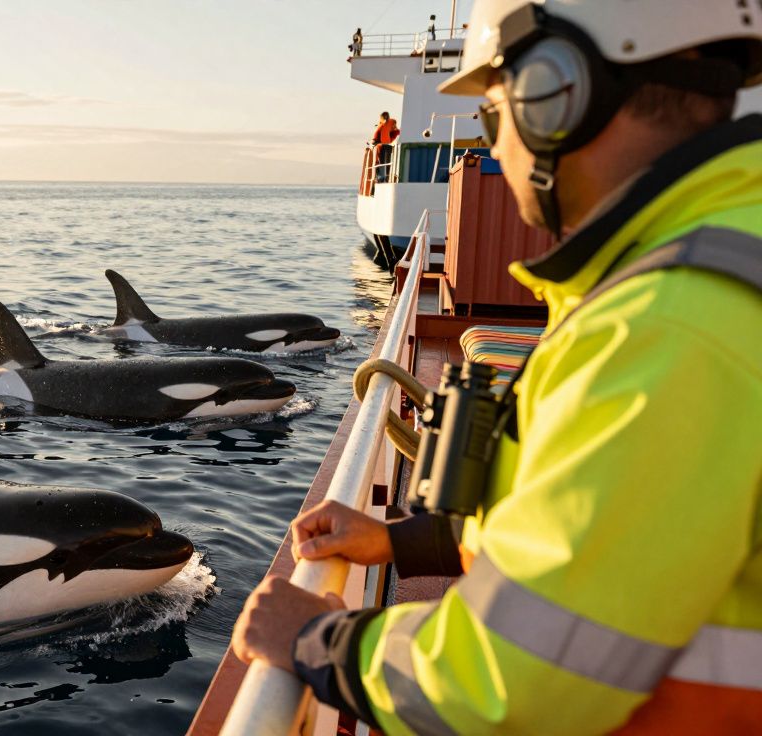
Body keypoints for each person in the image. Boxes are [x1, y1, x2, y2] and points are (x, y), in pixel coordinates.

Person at [231, 0, 762, 733]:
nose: (488, 147)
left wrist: (314, 639)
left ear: (557, 94)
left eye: (489, 114)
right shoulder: (711, 273)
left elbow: (510, 686)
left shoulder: (669, 327)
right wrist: (401, 539)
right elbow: (622, 529)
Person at [371, 112, 400, 182]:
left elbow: (376, 136)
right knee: (386, 163)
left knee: (382, 163)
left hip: (382, 147)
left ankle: (382, 178)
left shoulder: (383, 125)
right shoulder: (390, 123)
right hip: (387, 146)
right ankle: (385, 177)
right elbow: (395, 132)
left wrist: (374, 141)